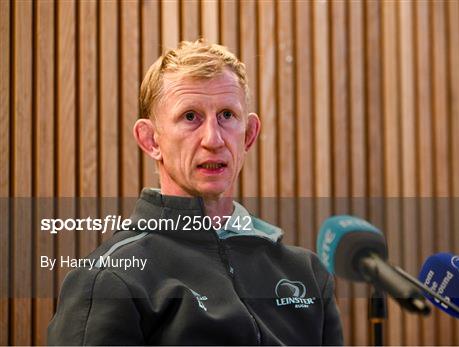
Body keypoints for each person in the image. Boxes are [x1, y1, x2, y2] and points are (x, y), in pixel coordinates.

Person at [48, 39, 343, 345]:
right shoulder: (111, 279)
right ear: (151, 140)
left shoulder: (306, 274)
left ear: (249, 135)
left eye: (227, 115)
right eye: (191, 117)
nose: (213, 139)